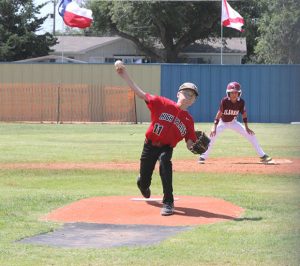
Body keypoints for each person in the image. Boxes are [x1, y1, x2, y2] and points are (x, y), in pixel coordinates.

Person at [115, 61, 199, 216]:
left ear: (194, 101)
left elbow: (189, 142)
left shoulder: (189, 120)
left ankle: (168, 202)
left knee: (165, 163)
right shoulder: (162, 103)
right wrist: (124, 75)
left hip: (166, 148)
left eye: (192, 96)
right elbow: (141, 93)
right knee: (144, 182)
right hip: (150, 146)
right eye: (185, 93)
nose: (188, 97)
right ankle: (143, 182)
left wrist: (195, 146)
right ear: (177, 94)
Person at [198, 81, 272, 164]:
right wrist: (214, 127)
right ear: (228, 93)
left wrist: (247, 128)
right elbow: (219, 113)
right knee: (211, 136)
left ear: (239, 93)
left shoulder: (241, 102)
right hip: (222, 122)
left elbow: (244, 114)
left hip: (233, 122)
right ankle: (202, 156)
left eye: (236, 92)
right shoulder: (225, 101)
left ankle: (262, 156)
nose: (234, 94)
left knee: (251, 135)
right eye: (232, 92)